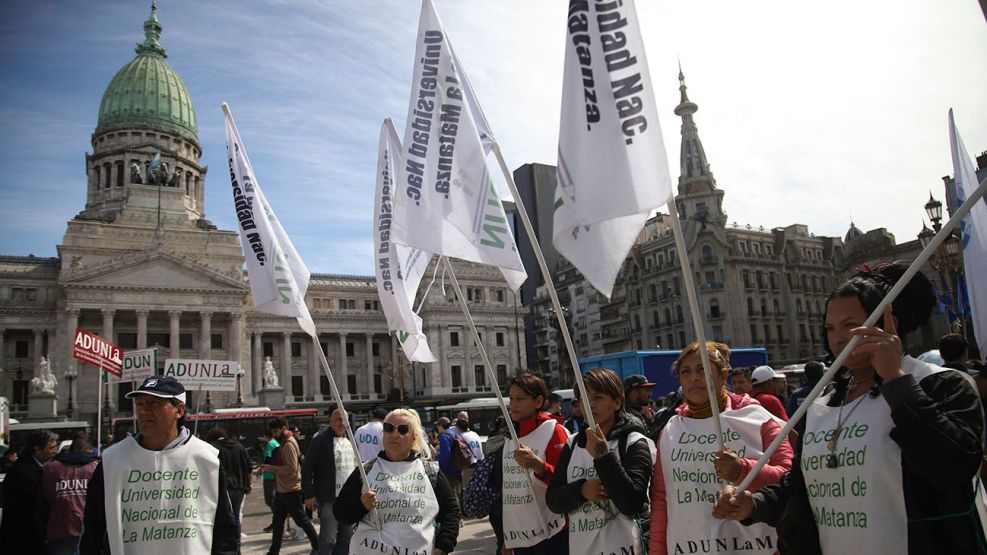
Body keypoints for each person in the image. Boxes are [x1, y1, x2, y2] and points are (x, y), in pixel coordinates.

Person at [713, 263, 987, 554]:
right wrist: (754, 504)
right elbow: (800, 485)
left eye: (850, 325)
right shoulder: (824, 401)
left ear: (887, 323)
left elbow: (952, 467)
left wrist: (895, 380)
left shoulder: (940, 384)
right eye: (830, 328)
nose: (838, 338)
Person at [651, 342, 794, 555]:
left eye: (702, 370)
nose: (694, 378)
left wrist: (742, 470)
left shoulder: (758, 419)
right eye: (686, 372)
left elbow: (788, 479)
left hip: (755, 546)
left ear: (723, 375)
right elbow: (661, 499)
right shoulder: (671, 430)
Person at [79, 375, 239, 554]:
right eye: (140, 404)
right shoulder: (112, 460)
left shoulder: (206, 458)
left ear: (179, 410)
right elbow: (93, 528)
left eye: (153, 404)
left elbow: (225, 528)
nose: (143, 411)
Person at [547, 368, 655, 555]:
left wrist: (604, 457)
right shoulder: (572, 444)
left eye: (598, 398)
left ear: (617, 402)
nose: (590, 405)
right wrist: (581, 491)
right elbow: (553, 500)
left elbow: (632, 503)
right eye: (584, 399)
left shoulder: (634, 442)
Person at [334, 408, 460, 555]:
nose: (395, 435)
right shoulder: (365, 470)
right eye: (389, 428)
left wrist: (443, 545)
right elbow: (340, 511)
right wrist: (360, 504)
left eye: (403, 430)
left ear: (413, 437)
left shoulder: (430, 472)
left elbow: (451, 512)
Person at [492, 373, 570, 553]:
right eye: (511, 399)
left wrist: (539, 466)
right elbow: (511, 492)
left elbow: (566, 483)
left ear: (538, 401)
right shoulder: (510, 436)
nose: (513, 405)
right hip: (521, 537)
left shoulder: (554, 431)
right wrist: (508, 537)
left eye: (520, 399)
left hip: (553, 533)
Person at [302, 408, 359, 555]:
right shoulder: (320, 441)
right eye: (338, 419)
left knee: (347, 538)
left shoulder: (351, 441)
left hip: (348, 500)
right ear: (330, 421)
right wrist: (309, 494)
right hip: (329, 499)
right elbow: (307, 468)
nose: (341, 423)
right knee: (328, 539)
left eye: (344, 420)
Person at [262, 416, 319, 555]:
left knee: (301, 520)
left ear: (284, 429)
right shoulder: (284, 442)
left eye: (276, 432)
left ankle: (318, 546)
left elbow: (291, 468)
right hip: (283, 490)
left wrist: (271, 468)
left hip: (291, 490)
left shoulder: (288, 444)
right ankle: (273, 551)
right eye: (273, 432)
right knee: (278, 522)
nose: (275, 435)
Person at [38, 432, 98, 555]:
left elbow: (47, 498)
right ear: (90, 450)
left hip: (60, 527)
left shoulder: (52, 467)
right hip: (89, 527)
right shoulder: (95, 467)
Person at [0, 429, 58, 553]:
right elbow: (34, 508)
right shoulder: (24, 472)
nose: (55, 451)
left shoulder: (36, 467)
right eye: (51, 447)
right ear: (37, 449)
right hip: (25, 539)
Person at [206, 427, 253, 526]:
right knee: (236, 515)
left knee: (223, 517)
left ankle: (227, 535)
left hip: (223, 487)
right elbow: (249, 468)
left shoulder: (213, 448)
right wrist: (249, 485)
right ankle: (236, 535)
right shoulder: (240, 446)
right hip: (240, 486)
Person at [435, 417, 464, 510]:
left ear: (441, 426)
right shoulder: (453, 434)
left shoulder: (444, 437)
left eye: (438, 426)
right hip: (457, 468)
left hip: (448, 471)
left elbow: (445, 456)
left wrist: (437, 461)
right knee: (455, 492)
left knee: (451, 494)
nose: (437, 428)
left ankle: (457, 514)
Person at [260, 430, 280, 533]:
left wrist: (260, 469)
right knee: (275, 499)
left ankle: (277, 521)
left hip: (269, 475)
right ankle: (277, 521)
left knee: (270, 500)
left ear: (265, 436)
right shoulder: (276, 443)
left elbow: (268, 458)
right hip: (275, 474)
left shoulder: (270, 444)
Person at [457, 418, 484, 491]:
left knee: (468, 489)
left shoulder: (460, 436)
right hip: (481, 464)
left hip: (469, 465)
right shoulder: (475, 434)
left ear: (458, 428)